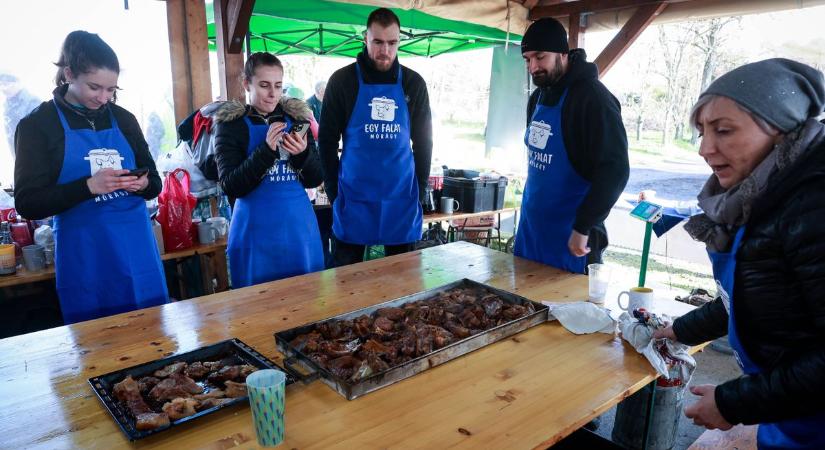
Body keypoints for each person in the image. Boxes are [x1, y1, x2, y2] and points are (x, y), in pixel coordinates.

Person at [653, 58, 825, 449]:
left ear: (780, 130)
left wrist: (733, 404)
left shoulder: (813, 205)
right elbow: (752, 295)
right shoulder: (758, 194)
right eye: (701, 132)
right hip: (789, 408)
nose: (704, 149)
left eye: (724, 131)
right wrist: (680, 330)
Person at [13, 30, 167, 324]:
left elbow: (155, 182)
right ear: (69, 73)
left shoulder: (123, 119)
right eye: (95, 88)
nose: (104, 98)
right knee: (96, 343)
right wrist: (88, 186)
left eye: (111, 90)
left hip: (137, 249)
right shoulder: (37, 125)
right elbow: (28, 202)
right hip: (85, 255)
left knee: (151, 334)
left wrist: (143, 184)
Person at [319, 7, 432, 267]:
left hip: (400, 198)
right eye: (378, 42)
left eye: (392, 43)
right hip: (354, 197)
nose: (385, 51)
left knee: (402, 284)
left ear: (399, 41)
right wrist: (335, 193)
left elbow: (424, 143)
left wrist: (421, 190)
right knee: (347, 282)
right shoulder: (342, 81)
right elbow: (326, 142)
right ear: (365, 39)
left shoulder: (414, 84)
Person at [515, 18, 629, 274]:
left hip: (573, 241)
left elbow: (615, 169)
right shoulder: (538, 97)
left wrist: (584, 226)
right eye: (527, 59)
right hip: (532, 233)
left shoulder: (593, 99)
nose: (533, 67)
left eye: (540, 57)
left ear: (563, 54)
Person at [214, 52, 324, 288]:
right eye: (264, 85)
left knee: (306, 301)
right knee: (257, 307)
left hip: (298, 230)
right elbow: (231, 186)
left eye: (278, 86)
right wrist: (265, 151)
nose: (273, 94)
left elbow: (315, 178)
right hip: (255, 232)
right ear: (247, 84)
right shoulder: (230, 125)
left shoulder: (298, 119)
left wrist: (302, 154)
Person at [1, 73, 41, 158]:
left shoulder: (32, 102)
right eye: (0, 85)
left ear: (17, 83)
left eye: (6, 84)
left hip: (35, 156)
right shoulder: (7, 105)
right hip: (19, 155)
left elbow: (41, 134)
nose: (3, 88)